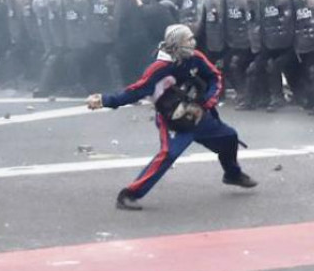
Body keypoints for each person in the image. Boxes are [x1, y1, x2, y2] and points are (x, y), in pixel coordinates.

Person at [86, 25, 256, 210]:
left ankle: (232, 174)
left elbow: (214, 77)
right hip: (171, 120)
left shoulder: (196, 58)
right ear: (176, 44)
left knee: (229, 137)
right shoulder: (159, 68)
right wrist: (104, 100)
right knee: (168, 154)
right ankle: (129, 194)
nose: (193, 43)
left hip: (198, 115)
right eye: (188, 40)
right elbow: (135, 91)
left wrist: (208, 100)